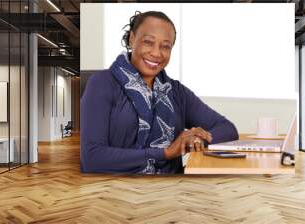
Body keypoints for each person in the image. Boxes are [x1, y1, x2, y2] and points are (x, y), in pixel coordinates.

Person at [80, 11, 238, 174]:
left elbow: (228, 129)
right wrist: (165, 153)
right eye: (148, 42)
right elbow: (92, 159)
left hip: (170, 191)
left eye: (165, 46)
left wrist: (196, 140)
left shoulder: (176, 91)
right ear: (132, 39)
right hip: (117, 190)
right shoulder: (102, 82)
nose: (156, 53)